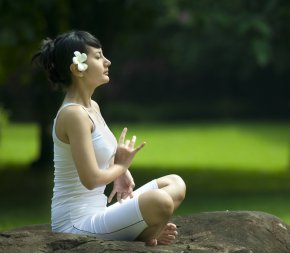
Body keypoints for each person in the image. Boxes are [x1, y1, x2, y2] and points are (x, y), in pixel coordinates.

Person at [32, 30, 186, 246]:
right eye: (98, 56)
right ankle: (146, 236)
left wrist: (119, 172)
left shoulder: (92, 107)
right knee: (160, 202)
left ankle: (145, 233)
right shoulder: (73, 114)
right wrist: (121, 166)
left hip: (98, 213)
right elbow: (91, 179)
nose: (107, 61)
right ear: (78, 69)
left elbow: (98, 154)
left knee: (174, 183)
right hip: (75, 224)